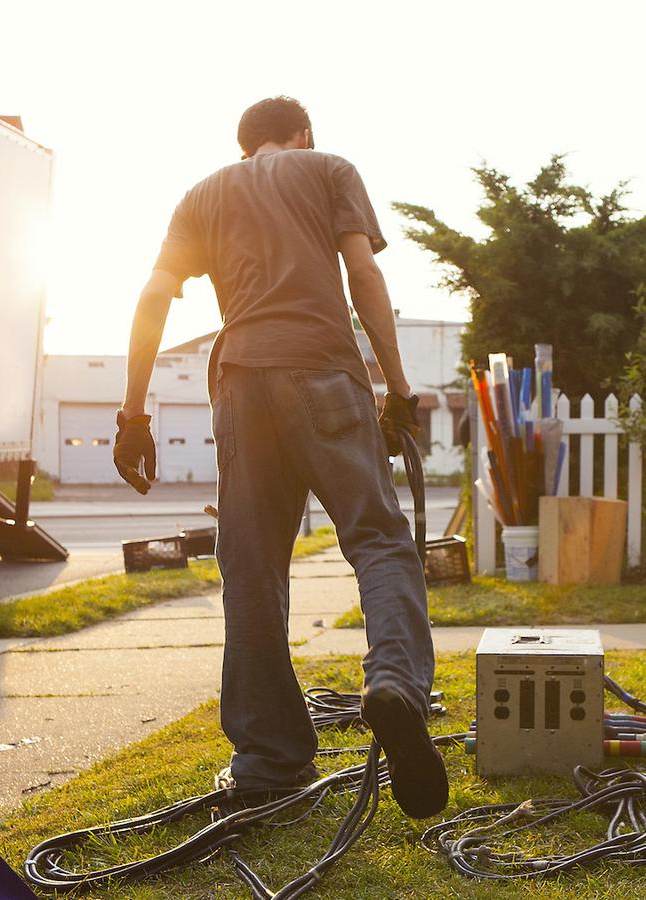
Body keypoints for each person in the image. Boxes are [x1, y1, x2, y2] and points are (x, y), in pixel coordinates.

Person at [111, 96, 446, 818]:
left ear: (244, 146)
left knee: (251, 567)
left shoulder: (201, 197)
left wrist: (132, 415)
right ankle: (393, 685)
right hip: (323, 373)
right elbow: (364, 278)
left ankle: (268, 759)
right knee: (381, 543)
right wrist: (398, 386)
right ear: (300, 135)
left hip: (240, 386)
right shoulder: (329, 169)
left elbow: (153, 298)